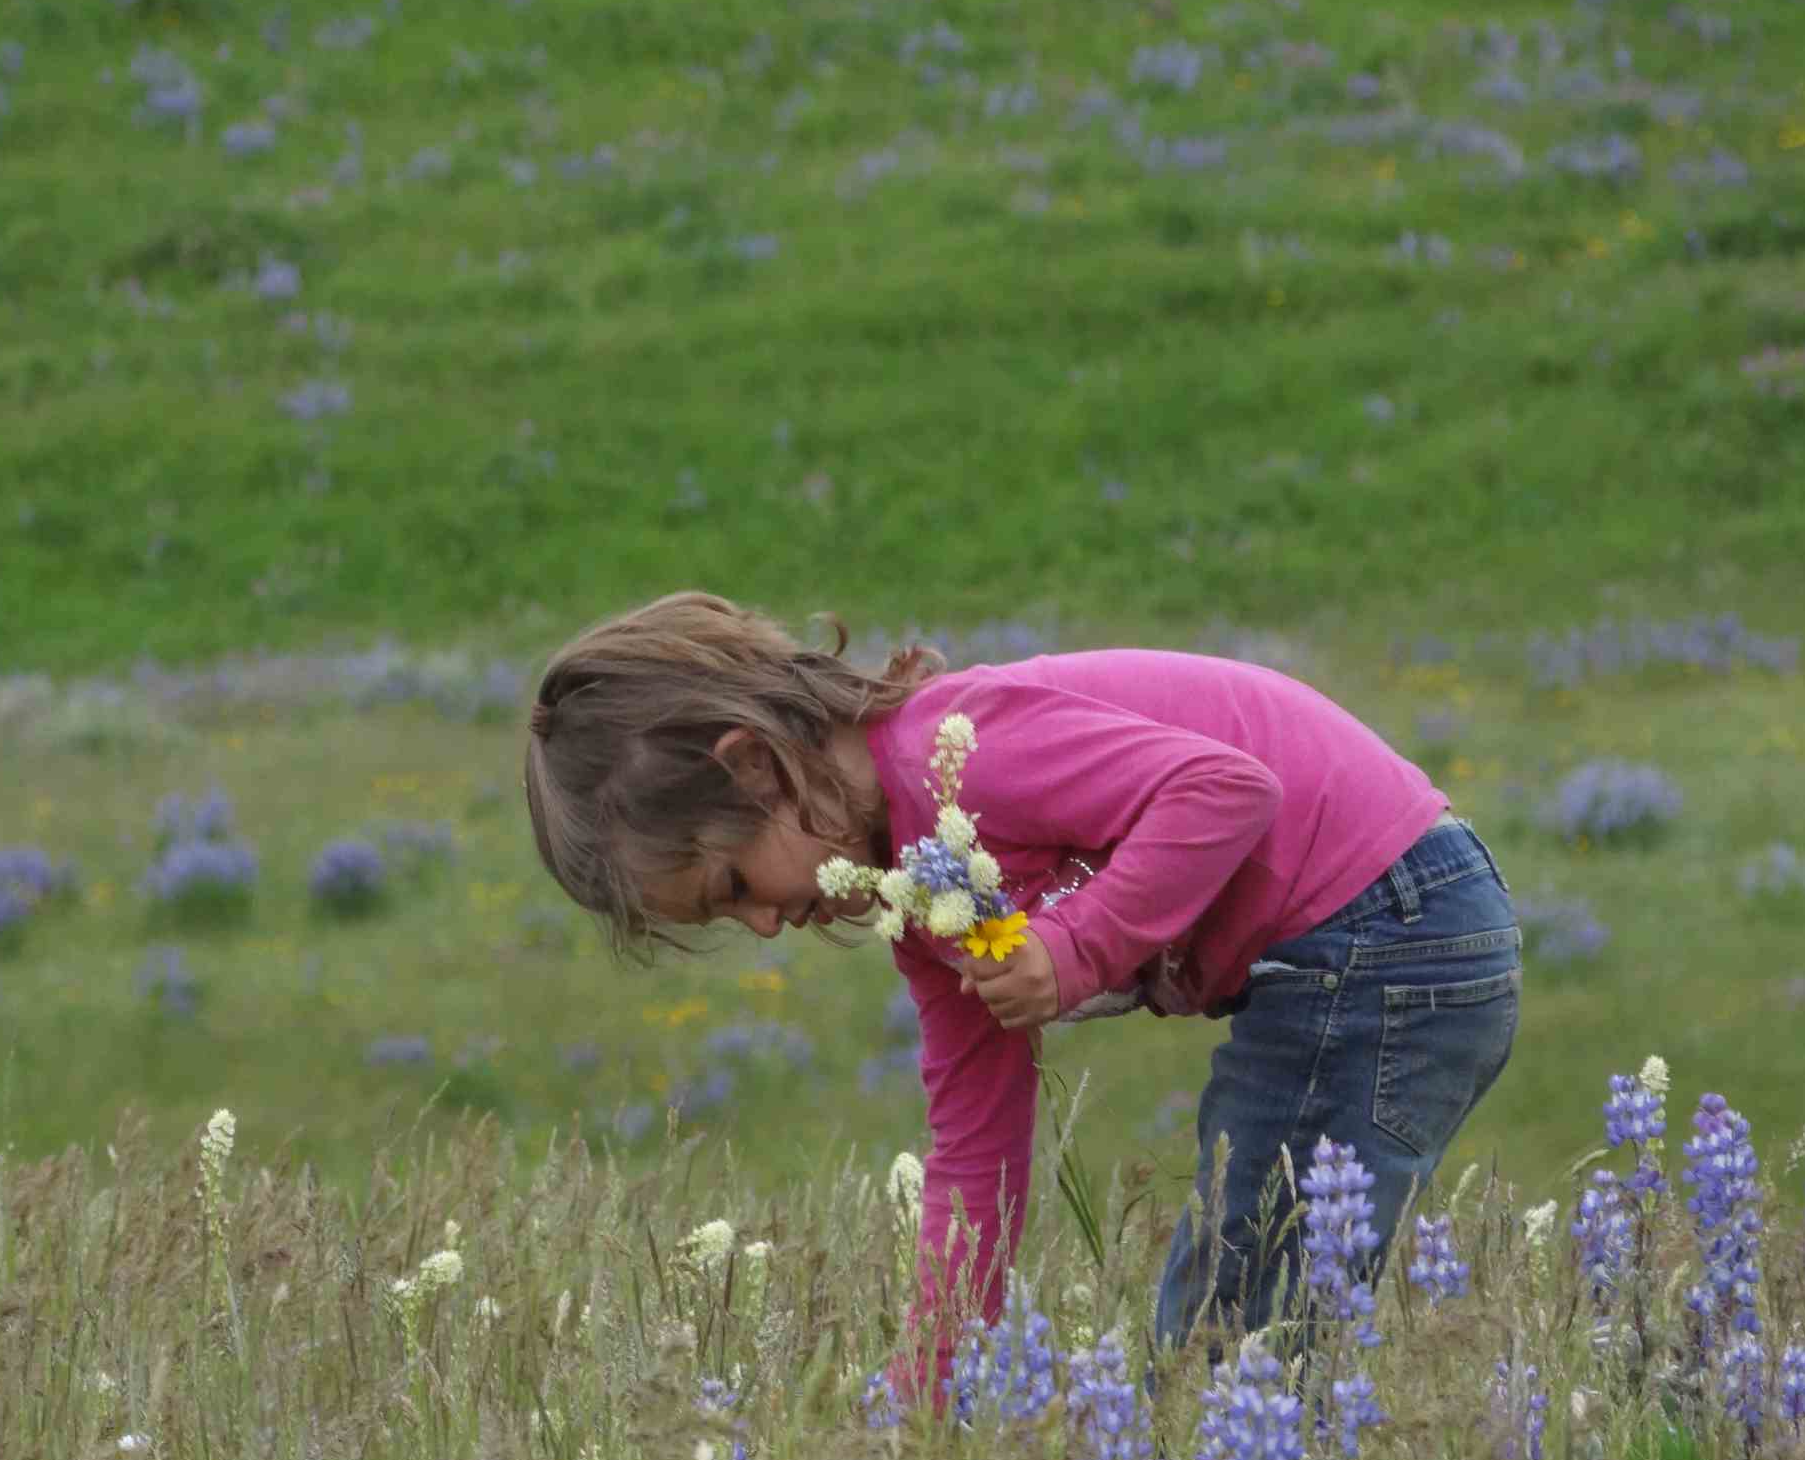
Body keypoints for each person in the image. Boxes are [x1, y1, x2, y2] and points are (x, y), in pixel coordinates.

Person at [522, 591, 1520, 1415]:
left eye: (733, 885)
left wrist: (1075, 947)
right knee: (1242, 1329)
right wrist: (927, 1387)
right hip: (1370, 937)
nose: (766, 927)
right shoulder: (925, 885)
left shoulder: (951, 757)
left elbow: (1225, 789)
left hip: (1390, 923)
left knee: (1227, 1340)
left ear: (752, 764)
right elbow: (976, 1150)